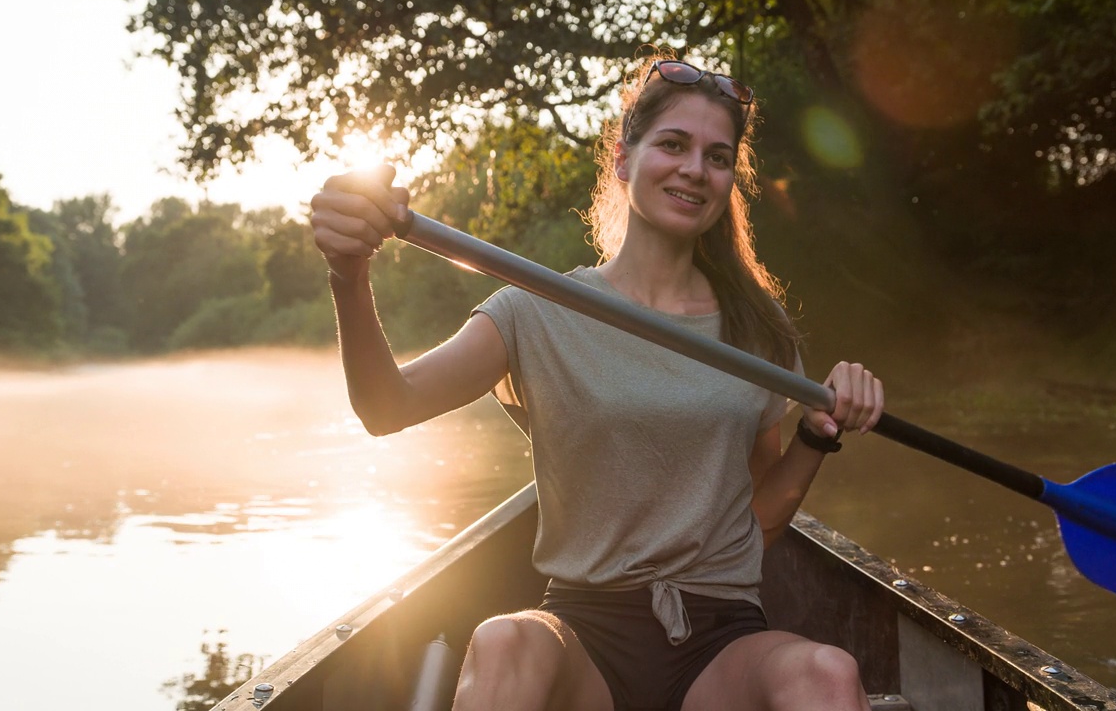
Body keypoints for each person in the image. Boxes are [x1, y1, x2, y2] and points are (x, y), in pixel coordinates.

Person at [309, 51, 884, 711]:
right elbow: (387, 407)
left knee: (830, 675)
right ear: (622, 157)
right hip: (585, 634)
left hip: (721, 642)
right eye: (673, 144)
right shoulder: (535, 308)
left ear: (729, 179)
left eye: (717, 156)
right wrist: (348, 277)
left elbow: (757, 520)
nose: (695, 169)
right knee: (502, 642)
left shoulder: (762, 332)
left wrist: (819, 436)